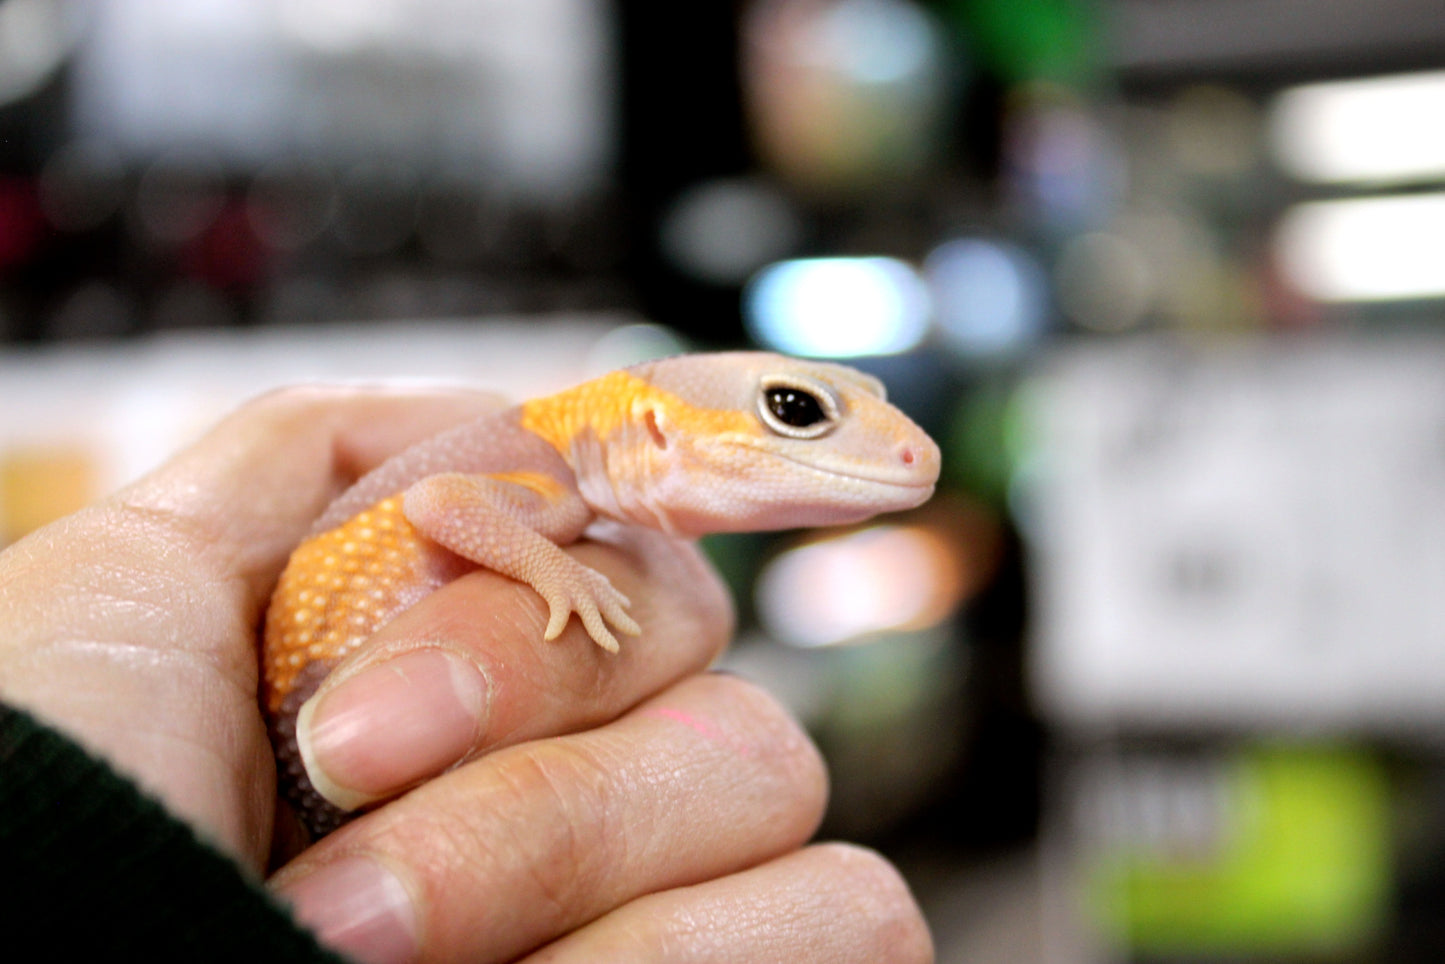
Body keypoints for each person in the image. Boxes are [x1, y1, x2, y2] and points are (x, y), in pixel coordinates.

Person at [0, 385, 933, 963]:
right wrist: (551, 569)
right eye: (798, 413)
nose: (900, 450)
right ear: (653, 427)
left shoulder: (559, 489)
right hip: (293, 765)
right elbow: (440, 502)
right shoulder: (546, 485)